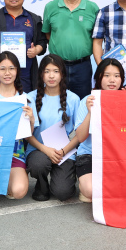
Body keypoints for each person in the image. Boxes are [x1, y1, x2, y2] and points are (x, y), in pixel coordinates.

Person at [0, 51, 35, 210]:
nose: (7, 73)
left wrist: (31, 119)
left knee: (18, 191)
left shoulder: (25, 98)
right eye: (2, 69)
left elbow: (28, 135)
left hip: (15, 153)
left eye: (11, 68)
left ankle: (5, 183)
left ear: (17, 71)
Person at [26, 54, 80, 201]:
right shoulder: (30, 98)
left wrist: (63, 151)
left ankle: (65, 177)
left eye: (56, 71)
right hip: (38, 149)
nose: (51, 76)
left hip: (63, 151)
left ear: (62, 74)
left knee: (63, 193)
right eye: (47, 71)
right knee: (38, 164)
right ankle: (41, 185)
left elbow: (80, 134)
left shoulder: (73, 99)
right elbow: (26, 134)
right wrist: (46, 150)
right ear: (41, 74)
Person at [42, 0, 100, 99]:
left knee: (83, 101)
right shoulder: (50, 7)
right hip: (56, 65)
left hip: (82, 66)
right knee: (56, 101)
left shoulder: (92, 8)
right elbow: (48, 33)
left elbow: (97, 37)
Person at [74, 58, 125, 203]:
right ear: (98, 77)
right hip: (90, 154)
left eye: (116, 76)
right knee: (91, 190)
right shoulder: (88, 100)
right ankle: (84, 186)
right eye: (107, 75)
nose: (112, 80)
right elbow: (80, 137)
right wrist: (90, 112)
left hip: (118, 155)